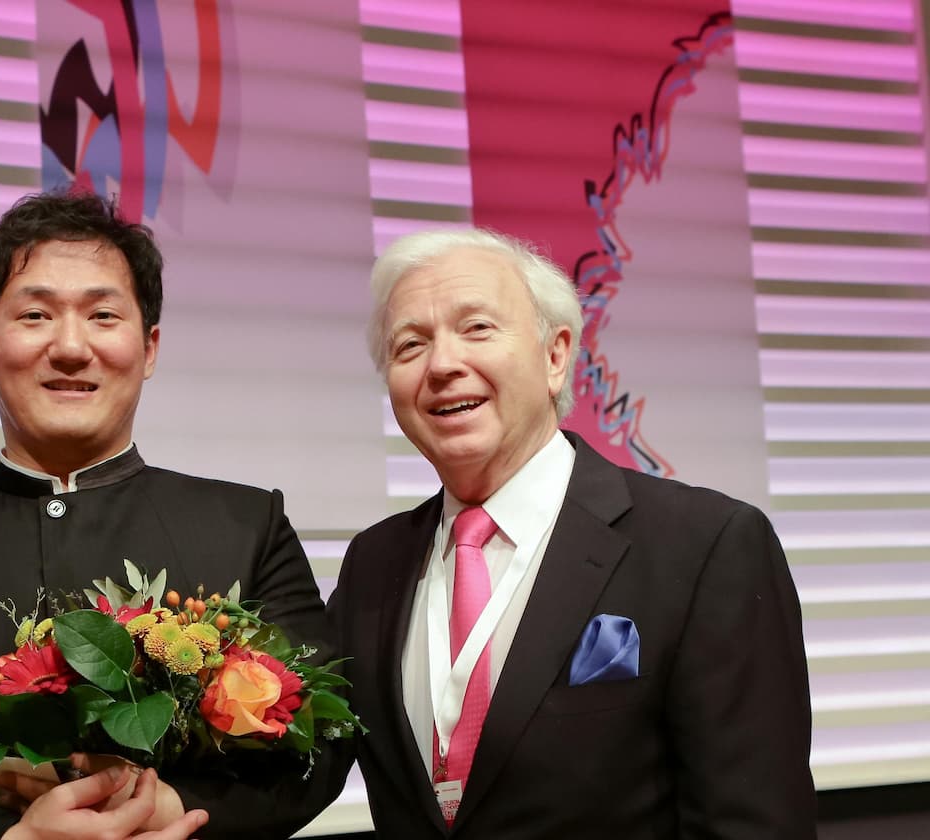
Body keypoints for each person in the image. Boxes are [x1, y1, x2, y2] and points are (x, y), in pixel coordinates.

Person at [0, 190, 347, 839]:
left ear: (150, 347)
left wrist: (177, 811)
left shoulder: (247, 525)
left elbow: (322, 743)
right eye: (37, 314)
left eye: (103, 314)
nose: (71, 347)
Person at [328, 227, 816, 838]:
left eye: (477, 328)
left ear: (556, 356)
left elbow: (755, 821)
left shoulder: (705, 546)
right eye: (410, 345)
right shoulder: (373, 562)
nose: (444, 364)